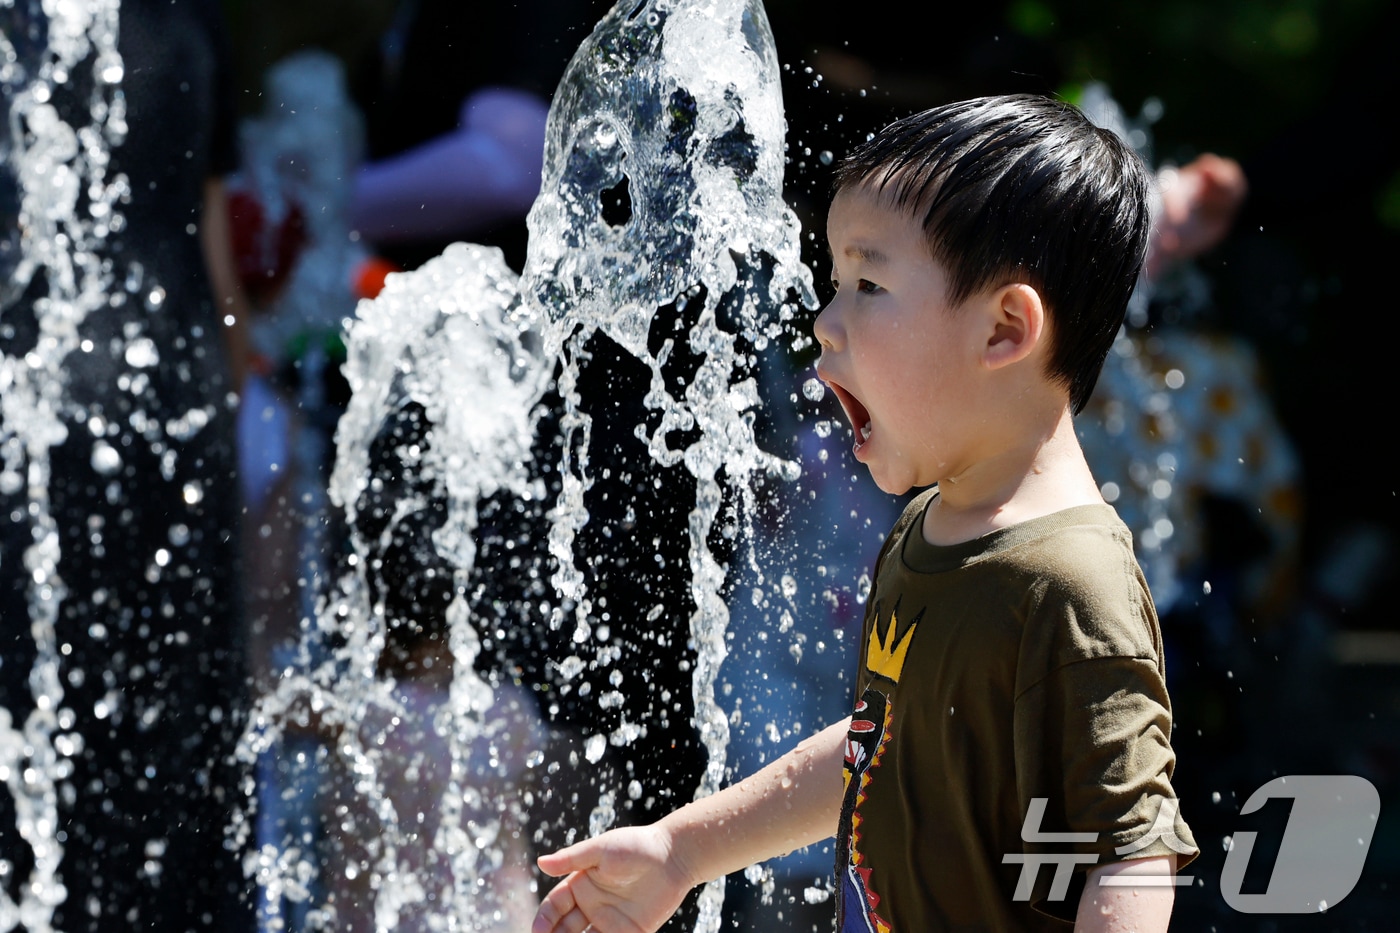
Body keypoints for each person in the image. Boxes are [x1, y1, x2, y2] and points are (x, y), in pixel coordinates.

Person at [530, 95, 1199, 932]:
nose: (825, 320)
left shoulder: (1071, 581)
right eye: (836, 282)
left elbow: (1132, 855)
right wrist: (685, 849)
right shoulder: (930, 527)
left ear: (1004, 329)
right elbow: (880, 750)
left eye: (868, 284)